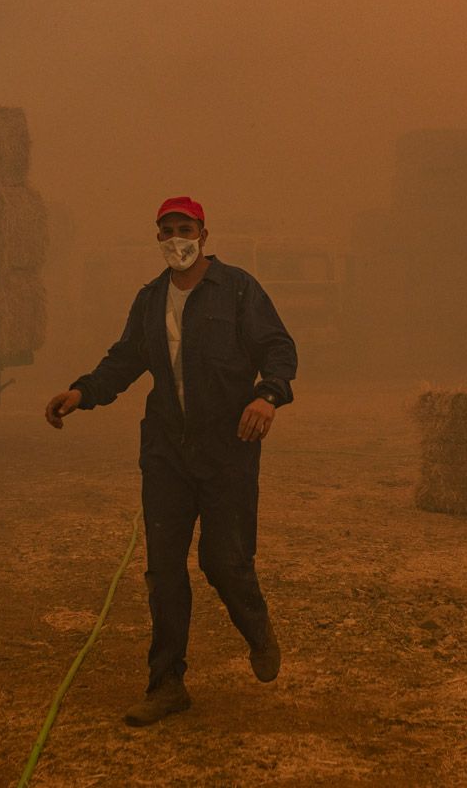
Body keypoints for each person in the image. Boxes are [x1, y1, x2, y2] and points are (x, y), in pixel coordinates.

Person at [44, 196, 298, 727]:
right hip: (166, 452)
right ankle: (166, 685)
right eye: (166, 231)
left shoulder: (239, 289)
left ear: (204, 234)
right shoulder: (150, 299)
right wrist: (82, 392)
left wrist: (268, 395)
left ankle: (257, 630)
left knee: (223, 562)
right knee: (164, 571)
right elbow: (126, 359)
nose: (176, 239)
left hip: (228, 448)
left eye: (185, 229)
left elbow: (278, 347)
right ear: (157, 238)